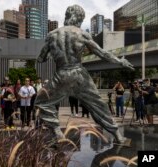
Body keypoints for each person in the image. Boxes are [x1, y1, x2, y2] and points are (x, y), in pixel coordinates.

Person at [34, 4, 134, 144]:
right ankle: (118, 136)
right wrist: (120, 61)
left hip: (61, 75)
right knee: (98, 105)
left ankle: (57, 133)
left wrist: (52, 53)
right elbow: (102, 53)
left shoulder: (52, 35)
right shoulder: (82, 34)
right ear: (79, 18)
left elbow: (41, 59)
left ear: (67, 16)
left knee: (41, 103)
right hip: (79, 74)